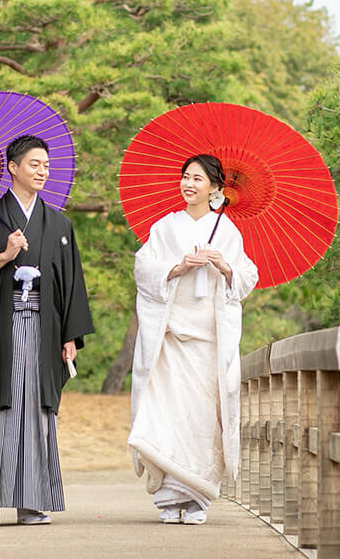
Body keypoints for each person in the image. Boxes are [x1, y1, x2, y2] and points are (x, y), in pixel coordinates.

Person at [0, 134, 94, 527]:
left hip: (44, 331)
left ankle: (32, 502)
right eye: (34, 164)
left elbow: (71, 284)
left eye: (46, 166)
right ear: (13, 168)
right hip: (1, 330)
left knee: (36, 410)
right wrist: (3, 256)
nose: (42, 171)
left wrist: (70, 335)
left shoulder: (59, 224)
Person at [127, 154, 258, 525]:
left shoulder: (227, 231)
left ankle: (197, 497)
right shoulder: (165, 228)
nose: (189, 184)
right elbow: (143, 268)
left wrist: (225, 266)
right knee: (168, 415)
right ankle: (170, 498)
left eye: (198, 179)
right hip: (170, 340)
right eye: (186, 177)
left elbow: (246, 278)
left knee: (201, 419)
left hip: (207, 342)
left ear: (216, 188)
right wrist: (176, 267)